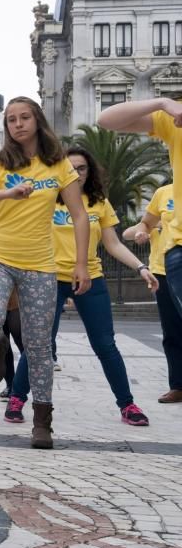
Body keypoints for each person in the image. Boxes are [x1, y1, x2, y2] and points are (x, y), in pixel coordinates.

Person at [0, 96, 90, 451]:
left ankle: (42, 420)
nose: (17, 124)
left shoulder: (58, 165)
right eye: (11, 120)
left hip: (40, 264)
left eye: (24, 118)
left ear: (37, 121)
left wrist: (80, 264)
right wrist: (8, 193)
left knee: (39, 347)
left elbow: (79, 215)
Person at [4, 146, 153, 427]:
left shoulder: (99, 203)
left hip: (90, 279)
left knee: (106, 344)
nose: (76, 173)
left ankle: (128, 404)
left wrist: (141, 267)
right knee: (40, 343)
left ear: (90, 171)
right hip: (47, 278)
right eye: (70, 168)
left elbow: (113, 244)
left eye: (81, 168)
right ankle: (17, 398)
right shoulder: (46, 199)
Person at [99, 98, 182, 401]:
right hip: (173, 255)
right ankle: (179, 384)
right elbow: (107, 119)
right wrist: (162, 102)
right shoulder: (176, 121)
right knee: (173, 330)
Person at [124, 182, 182, 403]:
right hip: (162, 271)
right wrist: (142, 231)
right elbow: (144, 224)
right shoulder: (164, 192)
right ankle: (178, 385)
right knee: (172, 331)